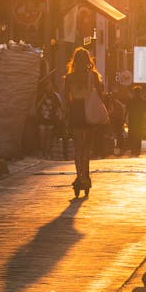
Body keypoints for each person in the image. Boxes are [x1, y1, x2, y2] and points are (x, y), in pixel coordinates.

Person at [64, 46, 105, 198]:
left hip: (75, 111)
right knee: (86, 147)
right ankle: (85, 176)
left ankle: (78, 175)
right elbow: (100, 95)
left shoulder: (69, 78)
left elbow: (66, 99)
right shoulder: (93, 76)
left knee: (77, 147)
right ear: (88, 60)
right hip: (88, 111)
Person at [36, 76, 63, 159]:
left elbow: (59, 107)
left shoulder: (55, 96)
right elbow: (37, 106)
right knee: (42, 136)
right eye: (46, 85)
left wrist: (60, 115)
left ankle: (47, 153)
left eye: (49, 85)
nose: (48, 87)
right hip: (42, 120)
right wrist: (43, 98)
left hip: (51, 120)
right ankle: (42, 151)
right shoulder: (40, 95)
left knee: (48, 137)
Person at [126, 85, 146, 156]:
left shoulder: (130, 101)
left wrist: (124, 118)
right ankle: (137, 151)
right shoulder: (142, 101)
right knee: (138, 136)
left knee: (132, 136)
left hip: (133, 120)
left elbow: (127, 111)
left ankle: (133, 151)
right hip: (139, 121)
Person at [107, 92, 126, 156]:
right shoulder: (116, 103)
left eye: (111, 97)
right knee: (118, 134)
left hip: (118, 120)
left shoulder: (115, 103)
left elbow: (113, 113)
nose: (110, 98)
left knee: (118, 134)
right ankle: (119, 147)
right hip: (117, 120)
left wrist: (110, 116)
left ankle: (120, 147)